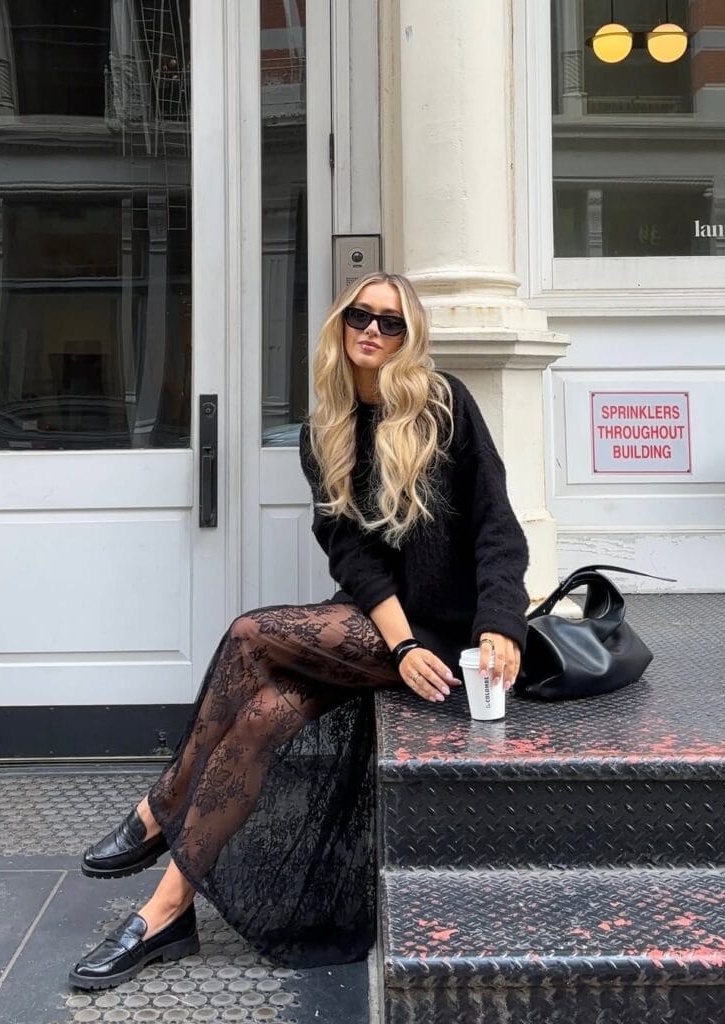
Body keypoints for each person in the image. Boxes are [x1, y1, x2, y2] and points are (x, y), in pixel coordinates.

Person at [68, 271, 529, 990]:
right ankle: (166, 912)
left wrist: (501, 624)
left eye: (391, 322)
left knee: (252, 633)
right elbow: (351, 552)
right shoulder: (328, 429)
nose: (372, 330)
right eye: (360, 315)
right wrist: (396, 641)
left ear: (411, 339)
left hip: (449, 636)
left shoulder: (445, 407)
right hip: (386, 626)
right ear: (340, 324)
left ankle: (161, 807)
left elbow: (497, 526)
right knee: (260, 716)